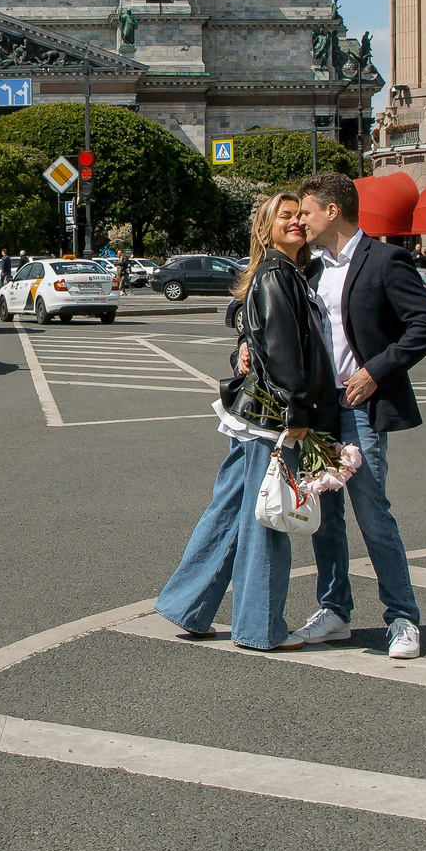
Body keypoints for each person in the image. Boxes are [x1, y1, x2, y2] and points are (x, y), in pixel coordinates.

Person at [155, 192, 331, 650]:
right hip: (273, 417)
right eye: (284, 217)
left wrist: (244, 346)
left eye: (299, 216)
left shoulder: (277, 271)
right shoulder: (278, 273)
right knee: (267, 518)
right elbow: (283, 349)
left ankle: (189, 605)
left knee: (231, 510)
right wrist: (297, 410)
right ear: (266, 229)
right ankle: (259, 627)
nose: (295, 222)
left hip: (250, 414)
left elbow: (253, 329)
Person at [287, 169, 426, 660]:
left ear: (332, 210)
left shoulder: (385, 260)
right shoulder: (310, 269)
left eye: (307, 212)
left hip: (361, 407)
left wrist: (376, 371)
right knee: (325, 516)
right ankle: (334, 610)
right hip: (319, 410)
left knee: (372, 512)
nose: (301, 221)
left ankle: (402, 617)